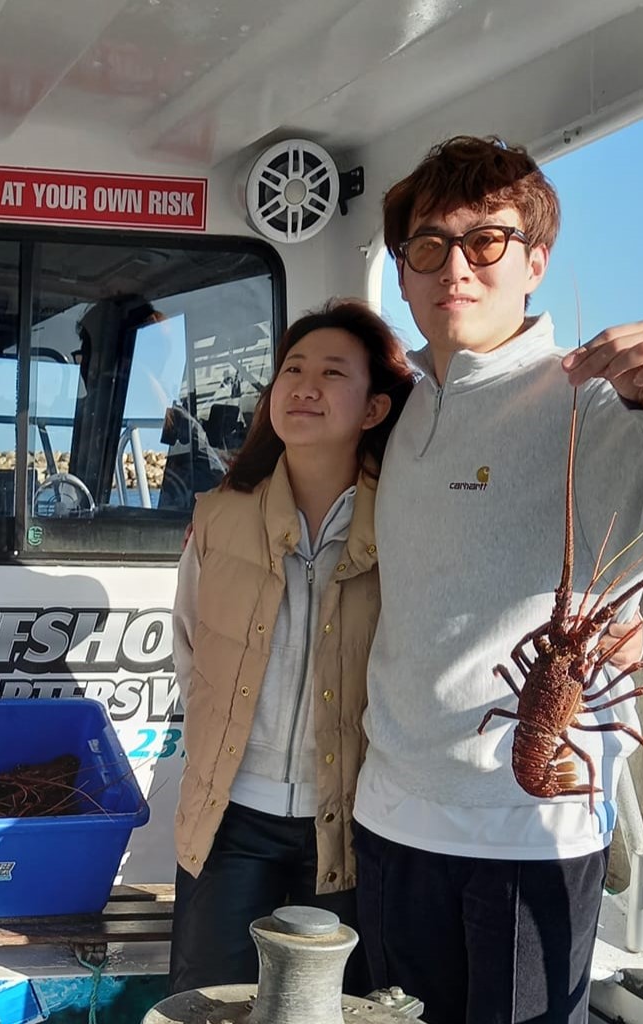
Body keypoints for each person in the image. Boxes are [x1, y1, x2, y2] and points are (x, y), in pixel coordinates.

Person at [353, 135, 643, 1023]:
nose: (455, 266)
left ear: (535, 261)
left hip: (528, 835)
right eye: (428, 247)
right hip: (390, 819)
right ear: (405, 275)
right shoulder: (403, 407)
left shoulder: (597, 406)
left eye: (485, 241)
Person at [168, 300, 415, 995]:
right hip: (229, 821)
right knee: (209, 1005)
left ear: (373, 408)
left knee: (329, 1009)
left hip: (352, 827)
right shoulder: (217, 514)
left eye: (334, 373)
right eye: (293, 369)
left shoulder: (404, 521)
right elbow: (191, 650)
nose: (304, 385)